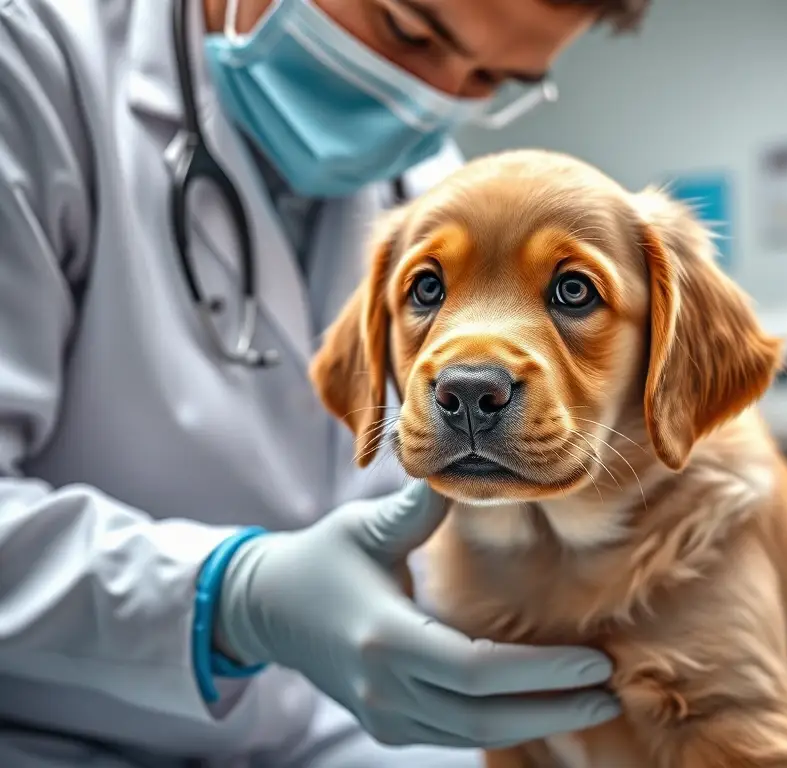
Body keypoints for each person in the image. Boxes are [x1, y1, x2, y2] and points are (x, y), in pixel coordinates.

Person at [0, 0, 653, 765]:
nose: (428, 98)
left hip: (326, 731)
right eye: (407, 30)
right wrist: (233, 597)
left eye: (491, 80)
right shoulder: (35, 60)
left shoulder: (430, 187)